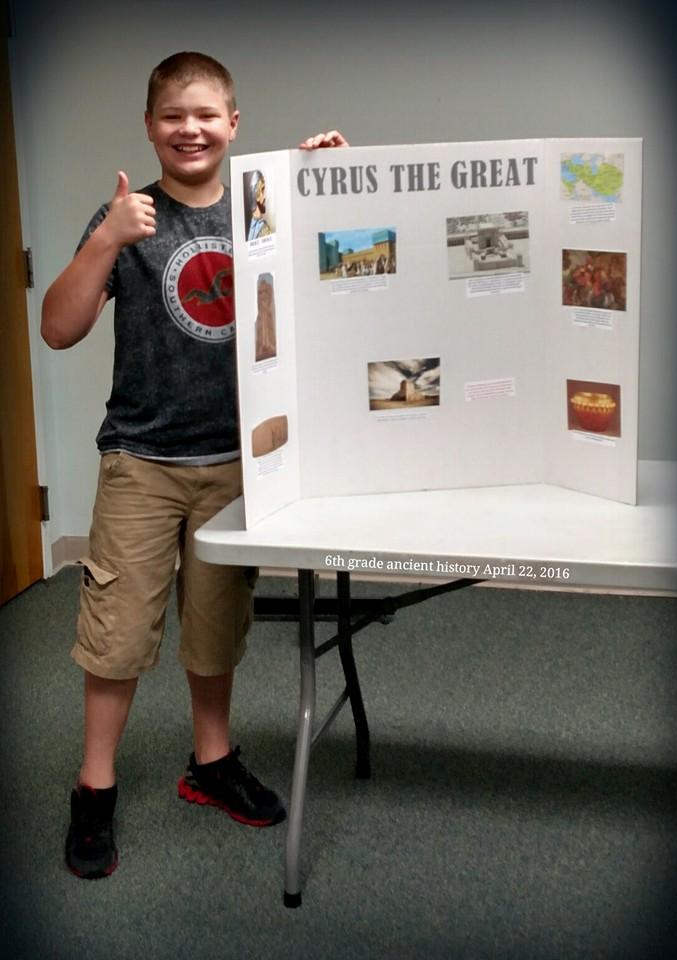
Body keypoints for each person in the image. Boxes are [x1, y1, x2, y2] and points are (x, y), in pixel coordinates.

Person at [41, 50, 348, 880]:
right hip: (141, 460)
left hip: (236, 462)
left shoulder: (262, 210)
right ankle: (94, 788)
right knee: (116, 636)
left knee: (215, 630)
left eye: (207, 114)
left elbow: (336, 270)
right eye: (173, 116)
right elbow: (57, 328)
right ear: (150, 126)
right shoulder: (128, 217)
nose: (191, 129)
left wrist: (321, 181)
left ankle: (211, 763)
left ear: (233, 124)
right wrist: (106, 239)